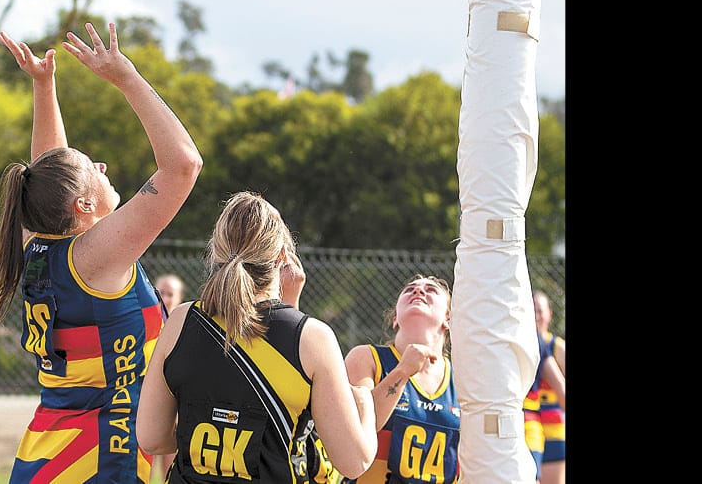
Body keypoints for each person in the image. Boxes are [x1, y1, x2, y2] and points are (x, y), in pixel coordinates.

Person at [0, 22, 204, 484]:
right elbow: (184, 164)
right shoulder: (94, 257)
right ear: (82, 206)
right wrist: (126, 77)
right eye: (91, 168)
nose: (101, 165)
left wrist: (45, 86)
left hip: (45, 456)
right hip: (97, 462)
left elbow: (48, 171)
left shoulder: (39, 245)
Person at [137, 191, 379, 483]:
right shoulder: (312, 338)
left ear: (216, 250)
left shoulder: (182, 320)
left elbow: (151, 438)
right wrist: (365, 405)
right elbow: (355, 462)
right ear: (281, 256)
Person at [341, 275, 460, 484]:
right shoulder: (367, 358)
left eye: (430, 290)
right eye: (409, 289)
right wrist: (403, 371)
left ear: (448, 320)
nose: (418, 291)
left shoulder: (461, 377)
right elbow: (354, 433)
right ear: (395, 318)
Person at [523, 292, 566, 482]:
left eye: (540, 311)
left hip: (554, 426)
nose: (536, 316)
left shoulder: (557, 347)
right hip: (532, 422)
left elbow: (561, 388)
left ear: (549, 314)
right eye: (532, 310)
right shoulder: (526, 340)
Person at [151, 273, 188, 481]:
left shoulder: (186, 329)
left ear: (180, 298)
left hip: (175, 405)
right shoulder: (144, 326)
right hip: (143, 404)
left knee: (170, 465)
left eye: (170, 294)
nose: (164, 298)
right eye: (160, 293)